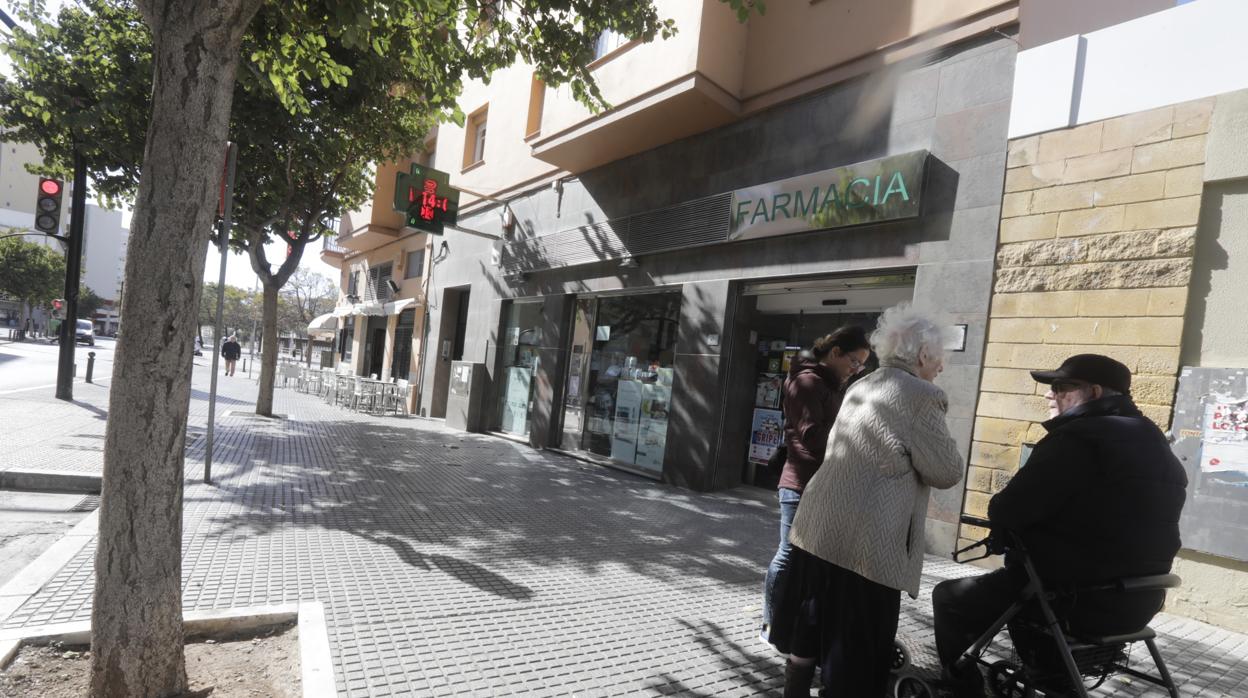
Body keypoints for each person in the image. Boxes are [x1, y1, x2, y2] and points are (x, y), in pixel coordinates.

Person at [932, 354, 1188, 697]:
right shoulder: (1154, 441)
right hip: (1138, 601)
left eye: (1061, 387)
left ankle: (961, 689)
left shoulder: (1077, 439)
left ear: (1094, 392)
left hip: (1069, 599)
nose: (1049, 395)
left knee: (949, 597)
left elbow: (1008, 509)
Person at [772, 304, 964, 697]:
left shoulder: (864, 383)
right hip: (869, 540)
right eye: (941, 356)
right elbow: (947, 471)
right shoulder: (922, 395)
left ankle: (795, 690)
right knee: (856, 643)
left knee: (815, 617)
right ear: (924, 355)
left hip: (821, 526)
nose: (942, 366)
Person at [761, 326, 871, 644]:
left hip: (823, 484)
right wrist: (855, 435)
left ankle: (791, 622)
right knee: (789, 557)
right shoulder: (808, 382)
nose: (856, 369)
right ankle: (771, 623)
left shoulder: (834, 384)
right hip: (799, 485)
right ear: (834, 352)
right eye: (854, 361)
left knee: (808, 562)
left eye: (861, 365)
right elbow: (813, 437)